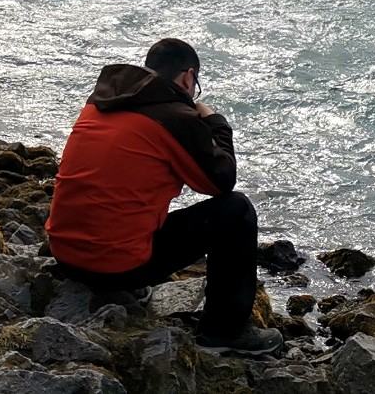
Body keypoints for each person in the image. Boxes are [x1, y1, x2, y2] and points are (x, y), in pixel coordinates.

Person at [45, 38, 281, 355]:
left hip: (65, 254)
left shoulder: (101, 102)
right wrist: (216, 123)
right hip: (114, 265)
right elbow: (222, 180)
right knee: (237, 211)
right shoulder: (174, 117)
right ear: (187, 77)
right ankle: (224, 333)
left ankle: (120, 282)